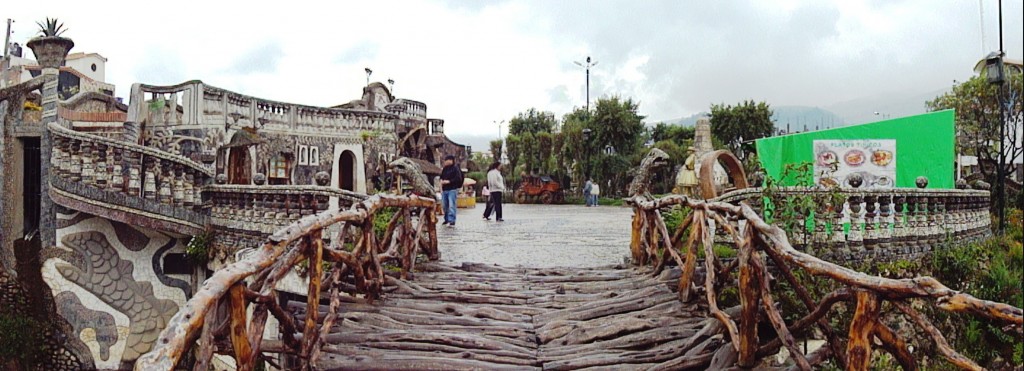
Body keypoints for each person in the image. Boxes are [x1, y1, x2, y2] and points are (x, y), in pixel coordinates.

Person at [439, 155, 464, 227]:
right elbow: (441, 177)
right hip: (445, 189)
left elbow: (458, 178)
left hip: (452, 189)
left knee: (451, 205)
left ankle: (452, 220)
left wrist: (449, 181)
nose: (445, 162)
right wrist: (441, 185)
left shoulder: (455, 168)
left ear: (451, 160)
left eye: (447, 160)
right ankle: (446, 219)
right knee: (445, 205)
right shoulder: (445, 169)